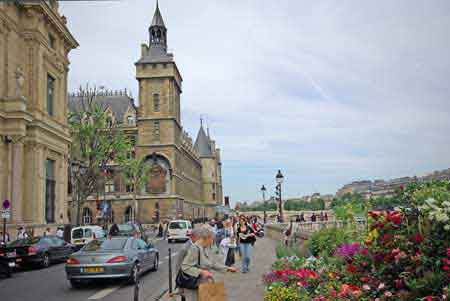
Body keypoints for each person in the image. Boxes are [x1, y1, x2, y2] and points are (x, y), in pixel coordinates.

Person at [180, 225, 237, 301]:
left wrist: (227, 268)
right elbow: (185, 266)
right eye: (212, 238)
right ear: (207, 237)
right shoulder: (195, 248)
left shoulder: (206, 247)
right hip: (193, 285)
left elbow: (212, 263)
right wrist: (202, 271)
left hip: (204, 283)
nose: (213, 241)